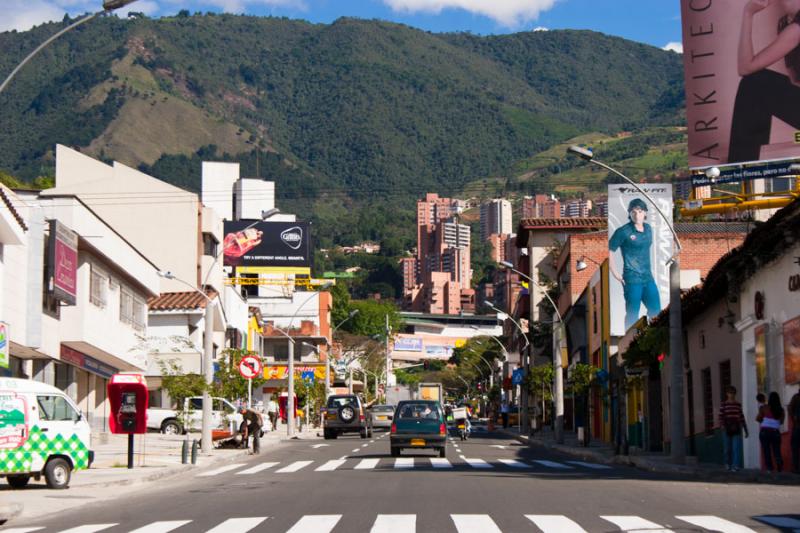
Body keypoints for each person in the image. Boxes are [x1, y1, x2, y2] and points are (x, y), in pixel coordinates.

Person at [728, 0, 800, 163]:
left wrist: (748, 14)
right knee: (758, 83)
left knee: (754, 83)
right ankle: (744, 163)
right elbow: (794, 79)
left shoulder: (796, 29)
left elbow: (745, 68)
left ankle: (741, 164)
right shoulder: (789, 24)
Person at [609, 198, 661, 331]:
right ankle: (630, 341)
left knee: (656, 310)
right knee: (633, 313)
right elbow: (609, 251)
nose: (636, 214)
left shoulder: (648, 229)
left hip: (648, 278)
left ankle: (653, 336)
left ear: (645, 213)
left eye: (639, 211)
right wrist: (615, 273)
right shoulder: (623, 231)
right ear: (629, 214)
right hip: (632, 279)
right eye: (633, 211)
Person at [719, 386, 749, 471]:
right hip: (727, 428)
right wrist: (722, 425)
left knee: (736, 448)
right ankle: (727, 463)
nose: (731, 395)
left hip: (736, 427)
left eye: (733, 393)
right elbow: (721, 416)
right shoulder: (723, 404)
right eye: (730, 393)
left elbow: (741, 416)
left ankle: (735, 465)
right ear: (727, 394)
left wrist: (745, 429)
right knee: (727, 448)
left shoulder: (738, 404)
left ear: (735, 394)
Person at [757, 391, 785, 472]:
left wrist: (765, 420)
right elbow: (781, 422)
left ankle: (769, 468)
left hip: (765, 431)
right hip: (775, 431)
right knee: (777, 450)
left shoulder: (764, 408)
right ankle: (779, 464)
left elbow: (758, 419)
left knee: (766, 450)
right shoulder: (781, 410)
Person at [789, 385, 800, 474]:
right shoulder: (796, 397)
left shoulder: (796, 397)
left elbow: (790, 409)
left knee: (795, 448)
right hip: (797, 426)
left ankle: (796, 468)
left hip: (797, 427)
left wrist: (793, 418)